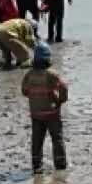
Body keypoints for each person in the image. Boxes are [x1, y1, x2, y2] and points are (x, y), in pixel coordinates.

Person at [20, 40, 69, 173]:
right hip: (52, 113)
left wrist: (34, 97)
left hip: (36, 114)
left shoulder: (29, 74)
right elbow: (63, 87)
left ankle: (37, 166)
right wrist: (60, 100)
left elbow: (24, 91)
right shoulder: (51, 74)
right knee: (57, 138)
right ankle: (60, 165)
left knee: (37, 140)